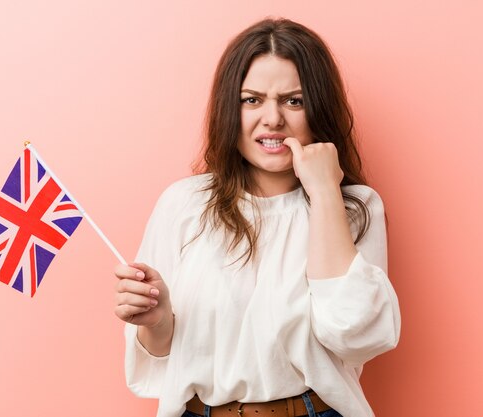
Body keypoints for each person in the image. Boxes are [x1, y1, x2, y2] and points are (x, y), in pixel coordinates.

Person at [113, 17, 401, 417]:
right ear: (230, 108)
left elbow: (354, 335)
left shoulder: (355, 207)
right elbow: (158, 362)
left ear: (319, 109)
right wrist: (157, 320)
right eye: (252, 100)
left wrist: (323, 192)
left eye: (293, 100)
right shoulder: (184, 204)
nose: (273, 119)